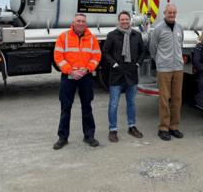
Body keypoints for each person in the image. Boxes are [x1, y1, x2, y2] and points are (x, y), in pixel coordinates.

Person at [52, 13, 102, 149]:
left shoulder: (92, 38)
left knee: (87, 107)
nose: (80, 23)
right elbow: (58, 56)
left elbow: (96, 56)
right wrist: (70, 71)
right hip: (69, 77)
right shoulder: (64, 37)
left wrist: (87, 69)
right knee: (65, 107)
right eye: (78, 21)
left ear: (86, 24)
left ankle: (89, 136)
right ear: (73, 23)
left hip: (85, 76)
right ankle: (63, 137)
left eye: (83, 21)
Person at [103, 11, 145, 143]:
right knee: (114, 104)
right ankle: (113, 129)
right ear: (118, 21)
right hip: (117, 74)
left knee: (131, 103)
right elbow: (105, 52)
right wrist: (114, 64)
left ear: (130, 21)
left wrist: (138, 63)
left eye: (127, 19)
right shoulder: (112, 35)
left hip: (131, 73)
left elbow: (143, 51)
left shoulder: (136, 35)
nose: (125, 21)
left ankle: (132, 127)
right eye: (122, 19)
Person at [149, 3, 184, 141]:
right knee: (164, 99)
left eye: (174, 12)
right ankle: (163, 128)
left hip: (178, 68)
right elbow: (152, 47)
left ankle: (174, 127)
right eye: (169, 12)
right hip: (164, 69)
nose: (172, 15)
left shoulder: (179, 28)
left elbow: (180, 45)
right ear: (164, 13)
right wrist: (159, 61)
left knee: (177, 99)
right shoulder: (158, 29)